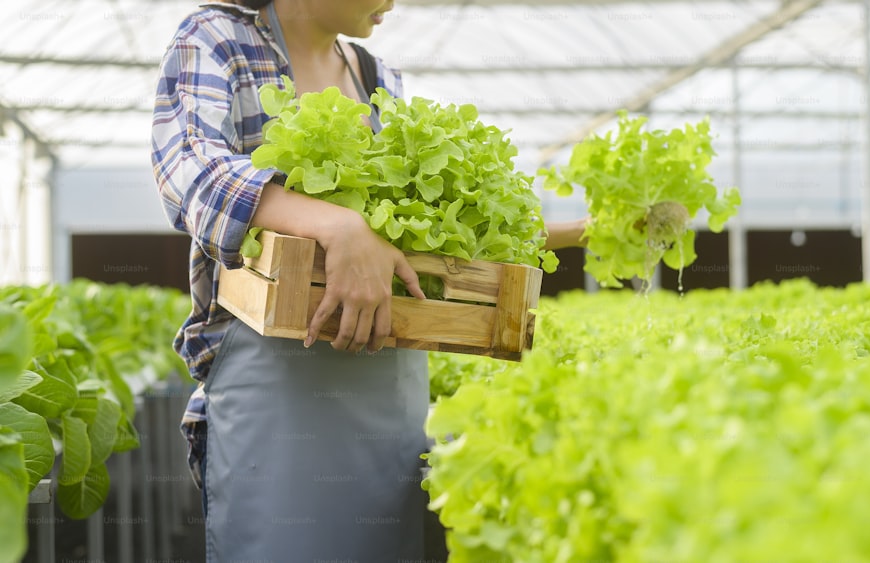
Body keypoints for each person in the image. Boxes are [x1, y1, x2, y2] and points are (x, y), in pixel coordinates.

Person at [151, 1, 586, 560]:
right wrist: (338, 225)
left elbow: (436, 235)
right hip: (276, 378)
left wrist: (582, 231)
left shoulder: (379, 79)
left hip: (388, 369)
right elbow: (188, 167)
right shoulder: (218, 39)